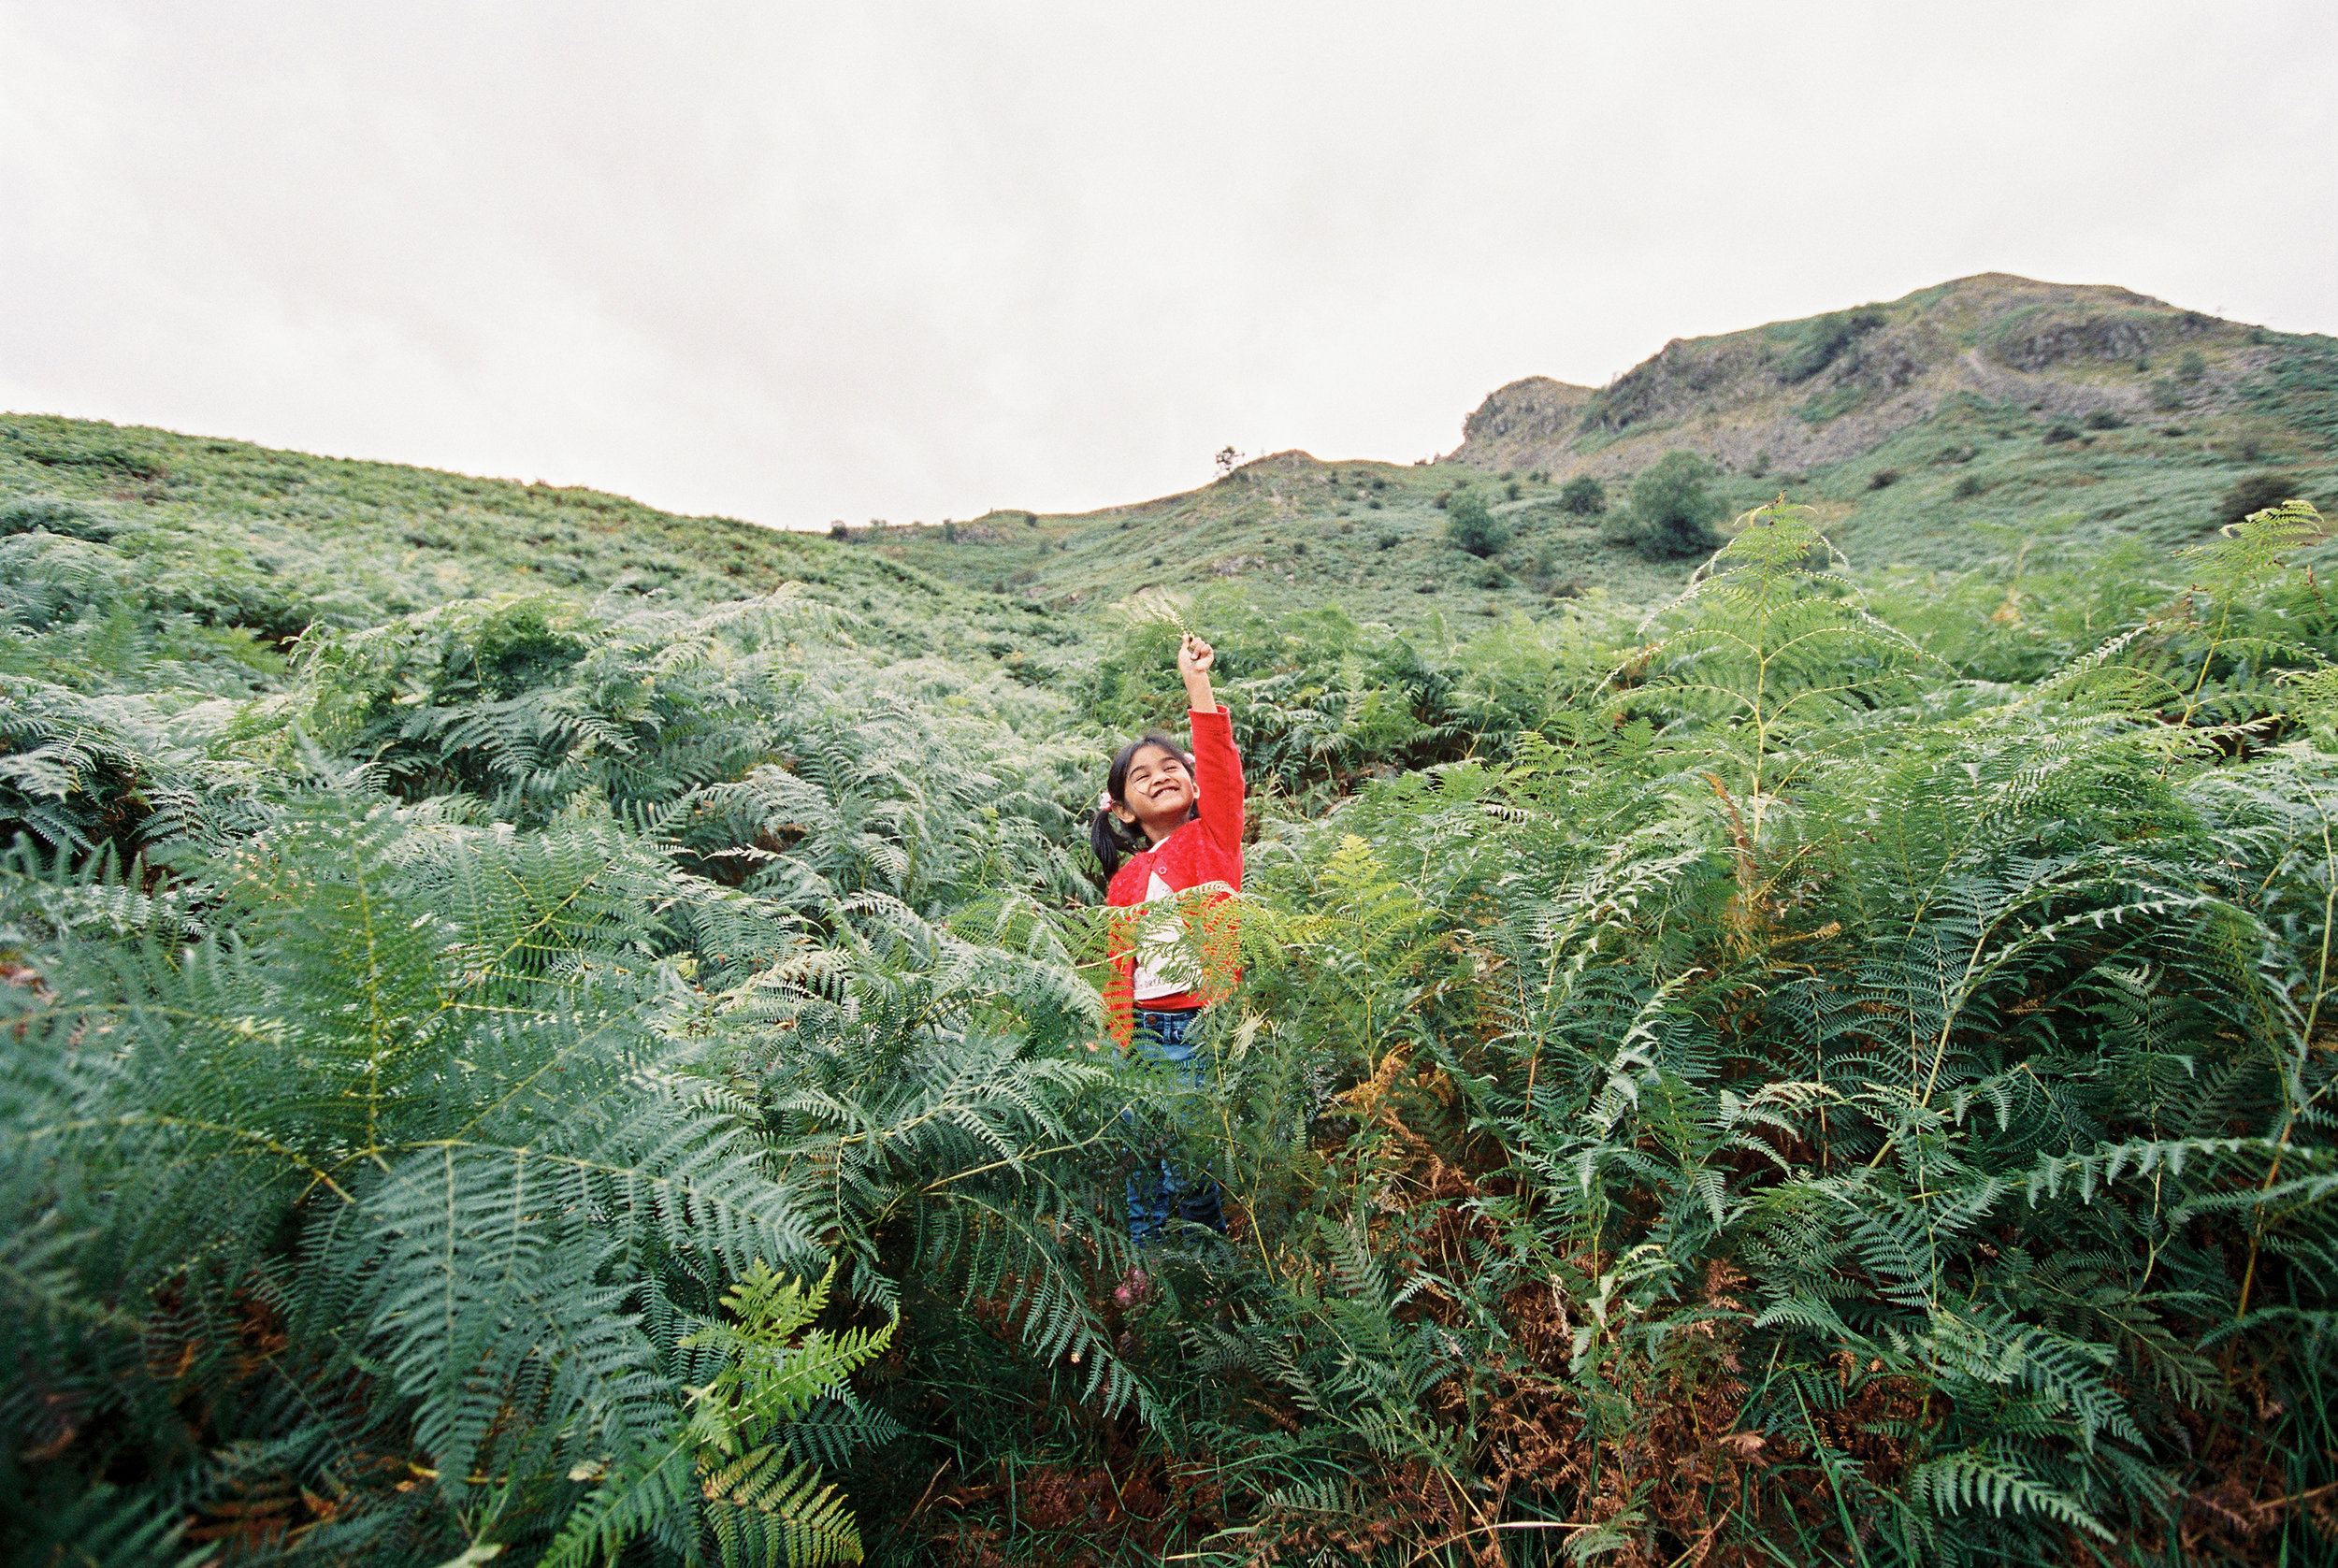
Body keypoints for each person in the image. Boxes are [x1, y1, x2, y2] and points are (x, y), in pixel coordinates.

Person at [1090, 632, 1243, 1281]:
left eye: (1171, 765)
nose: (1162, 775)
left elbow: (1217, 762)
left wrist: (1197, 684)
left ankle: (1207, 1273)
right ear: (1121, 808)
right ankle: (1146, 1267)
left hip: (1194, 1029)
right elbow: (1112, 971)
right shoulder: (1123, 880)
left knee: (1191, 1158)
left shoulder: (1213, 838)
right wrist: (1110, 1035)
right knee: (1140, 1155)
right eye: (1141, 775)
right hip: (1139, 1038)